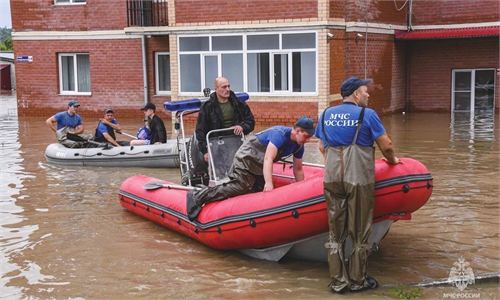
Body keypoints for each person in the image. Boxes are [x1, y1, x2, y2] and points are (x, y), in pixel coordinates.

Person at [314, 77, 400, 293]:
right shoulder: (368, 115)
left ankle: (338, 281)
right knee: (360, 232)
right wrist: (394, 162)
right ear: (356, 95)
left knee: (336, 232)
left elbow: (322, 147)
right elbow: (386, 146)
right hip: (358, 179)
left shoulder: (325, 114)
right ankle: (357, 281)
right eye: (365, 91)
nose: (368, 94)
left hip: (332, 178)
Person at [187, 116, 316, 221]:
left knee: (257, 193)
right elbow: (268, 159)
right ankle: (198, 196)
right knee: (239, 186)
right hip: (247, 158)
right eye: (307, 136)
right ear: (298, 131)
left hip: (259, 166)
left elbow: (298, 170)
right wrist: (269, 183)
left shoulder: (299, 146)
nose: (308, 140)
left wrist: (302, 191)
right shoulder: (280, 135)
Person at [195, 76, 255, 163]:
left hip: (236, 143)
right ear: (216, 89)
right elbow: (200, 130)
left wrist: (242, 127)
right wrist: (205, 151)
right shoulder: (207, 107)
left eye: (228, 86)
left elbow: (250, 121)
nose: (227, 89)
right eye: (224, 87)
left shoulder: (239, 104)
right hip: (216, 145)